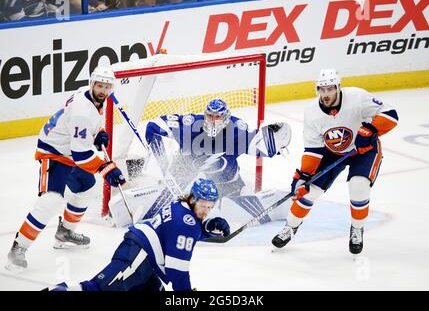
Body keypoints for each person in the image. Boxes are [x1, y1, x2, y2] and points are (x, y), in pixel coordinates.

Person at [5, 66, 126, 271]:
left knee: (86, 187)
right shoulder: (83, 111)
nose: (103, 90)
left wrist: (100, 132)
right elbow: (81, 156)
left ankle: (65, 232)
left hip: (70, 149)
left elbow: (89, 127)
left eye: (107, 86)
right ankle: (18, 247)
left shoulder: (91, 96)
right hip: (54, 152)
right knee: (51, 200)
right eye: (99, 85)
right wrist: (107, 169)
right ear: (92, 84)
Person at [271, 69, 399, 254]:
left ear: (338, 88)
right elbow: (313, 149)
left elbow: (391, 114)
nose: (325, 94)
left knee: (358, 185)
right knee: (308, 191)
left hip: (364, 151)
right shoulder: (312, 113)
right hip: (331, 152)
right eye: (321, 90)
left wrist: (371, 130)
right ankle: (290, 228)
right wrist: (304, 175)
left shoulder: (357, 97)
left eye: (329, 89)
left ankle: (357, 228)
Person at [47, 178, 230, 291]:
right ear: (193, 199)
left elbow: (173, 234)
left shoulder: (179, 206)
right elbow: (177, 269)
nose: (206, 211)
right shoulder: (186, 224)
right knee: (96, 289)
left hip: (142, 257)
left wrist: (206, 228)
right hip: (137, 258)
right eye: (203, 205)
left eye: (210, 207)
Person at [141, 98, 291, 199]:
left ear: (225, 117)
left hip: (227, 183)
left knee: (245, 197)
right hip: (181, 179)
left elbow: (262, 145)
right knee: (169, 201)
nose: (213, 121)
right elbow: (154, 126)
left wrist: (277, 141)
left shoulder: (237, 131)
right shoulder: (190, 124)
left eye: (217, 117)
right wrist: (163, 166)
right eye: (210, 116)